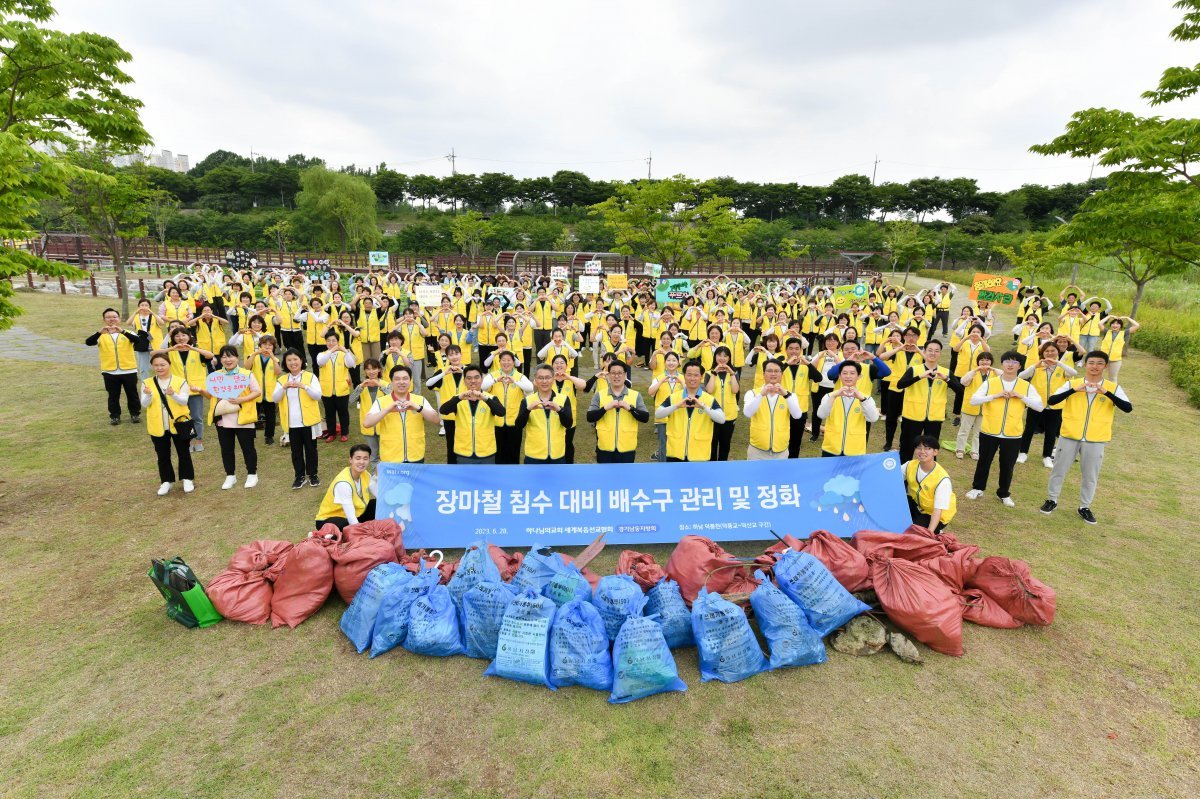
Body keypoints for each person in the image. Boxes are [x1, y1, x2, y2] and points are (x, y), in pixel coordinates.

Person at [1041, 351, 1133, 525]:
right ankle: (1051, 499)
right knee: (1059, 470)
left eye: (1099, 363)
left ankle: (1084, 506)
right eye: (1091, 362)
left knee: (1090, 475)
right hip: (1069, 434)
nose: (1095, 366)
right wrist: (1074, 390)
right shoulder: (1073, 384)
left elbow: (1127, 408)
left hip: (1096, 438)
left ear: (1105, 366)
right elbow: (1052, 400)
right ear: (1085, 364)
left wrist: (1105, 392)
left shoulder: (1113, 388)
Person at [966, 350, 1045, 507]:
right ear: (1002, 364)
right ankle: (978, 487)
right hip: (989, 430)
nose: (1010, 364)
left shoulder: (1025, 386)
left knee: (1008, 465)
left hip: (1013, 433)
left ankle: (1004, 493)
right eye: (1007, 361)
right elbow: (973, 400)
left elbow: (1040, 407)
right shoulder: (991, 382)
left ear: (1019, 366)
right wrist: (994, 396)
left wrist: (1020, 396)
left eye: (1014, 362)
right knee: (984, 461)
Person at [206, 345, 261, 490]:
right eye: (224, 357)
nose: (227, 359)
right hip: (223, 418)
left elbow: (257, 391)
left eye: (230, 356)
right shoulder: (216, 376)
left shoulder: (246, 374)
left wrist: (241, 400)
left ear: (237, 358)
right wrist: (200, 390)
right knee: (226, 448)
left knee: (247, 447)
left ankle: (252, 474)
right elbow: (211, 395)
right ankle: (230, 475)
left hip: (243, 416)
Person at [140, 351, 195, 496]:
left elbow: (184, 400)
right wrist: (148, 394)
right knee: (162, 455)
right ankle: (166, 481)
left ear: (169, 365)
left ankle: (187, 478)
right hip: (157, 425)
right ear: (152, 366)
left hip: (178, 424)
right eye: (156, 365)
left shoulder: (180, 381)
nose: (159, 368)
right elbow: (145, 404)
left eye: (162, 365)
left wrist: (173, 394)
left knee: (183, 452)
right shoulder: (147, 383)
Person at [363, 365, 440, 463]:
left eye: (405, 379)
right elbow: (367, 423)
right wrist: (387, 410)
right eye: (397, 379)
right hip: (390, 457)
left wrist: (418, 408)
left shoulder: (420, 400)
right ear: (391, 382)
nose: (401, 382)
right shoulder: (381, 401)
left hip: (415, 455)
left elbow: (437, 420)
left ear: (410, 381)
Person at [1017, 341, 1077, 467]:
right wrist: (1035, 366)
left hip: (1055, 406)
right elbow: (1021, 376)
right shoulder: (1037, 367)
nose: (1050, 353)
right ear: (1042, 353)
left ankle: (1047, 456)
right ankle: (1023, 452)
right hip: (1037, 404)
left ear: (1057, 352)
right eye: (1047, 351)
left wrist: (1059, 363)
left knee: (1051, 432)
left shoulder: (1062, 368)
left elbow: (1074, 373)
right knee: (1029, 429)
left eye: (1053, 351)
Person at [271, 347, 323, 489]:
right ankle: (299, 476)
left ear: (301, 360)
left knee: (311, 450)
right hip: (291, 423)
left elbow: (318, 396)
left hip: (309, 421)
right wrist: (283, 388)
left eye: (295, 359)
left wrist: (304, 387)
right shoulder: (282, 380)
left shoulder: (310, 377)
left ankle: (313, 475)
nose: (293, 363)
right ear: (285, 363)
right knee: (296, 451)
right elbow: (274, 398)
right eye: (289, 360)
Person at [656, 360, 726, 462]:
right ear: (684, 376)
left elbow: (721, 419)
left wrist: (704, 407)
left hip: (699, 455)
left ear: (701, 377)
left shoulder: (709, 399)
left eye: (696, 375)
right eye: (689, 375)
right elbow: (658, 414)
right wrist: (676, 406)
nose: (692, 378)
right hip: (675, 453)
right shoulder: (674, 397)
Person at [895, 339, 952, 463]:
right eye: (930, 350)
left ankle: (928, 477)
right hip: (912, 416)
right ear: (924, 352)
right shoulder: (914, 370)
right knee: (906, 448)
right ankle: (903, 478)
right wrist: (920, 377)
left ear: (940, 353)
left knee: (931, 451)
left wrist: (946, 379)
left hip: (934, 417)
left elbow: (960, 390)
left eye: (937, 351)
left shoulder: (945, 372)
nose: (933, 353)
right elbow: (900, 385)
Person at [86, 308, 145, 426]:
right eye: (108, 317)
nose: (111, 319)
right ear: (104, 320)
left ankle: (135, 414)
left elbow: (138, 340)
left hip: (129, 369)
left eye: (114, 317)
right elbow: (88, 342)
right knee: (113, 395)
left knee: (132, 393)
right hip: (110, 371)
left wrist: (122, 332)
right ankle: (115, 416)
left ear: (118, 319)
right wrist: (99, 333)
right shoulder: (101, 335)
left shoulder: (128, 332)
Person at [440, 365, 506, 464]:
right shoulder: (458, 398)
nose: (473, 381)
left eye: (476, 377)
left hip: (486, 452)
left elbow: (501, 412)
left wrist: (484, 398)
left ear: (482, 378)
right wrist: (458, 398)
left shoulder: (490, 398)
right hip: (464, 452)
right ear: (464, 380)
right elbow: (443, 410)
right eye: (469, 378)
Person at [586, 360, 650, 463]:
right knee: (605, 478)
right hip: (604, 448)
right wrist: (605, 408)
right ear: (608, 375)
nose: (616, 376)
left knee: (625, 478)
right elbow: (589, 417)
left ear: (625, 375)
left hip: (627, 448)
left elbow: (645, 417)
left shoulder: (635, 395)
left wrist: (631, 409)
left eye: (620, 373)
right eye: (613, 373)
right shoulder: (599, 395)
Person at [742, 359, 804, 460]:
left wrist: (786, 396)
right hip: (757, 451)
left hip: (781, 451)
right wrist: (761, 395)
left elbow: (797, 415)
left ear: (782, 374)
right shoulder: (752, 393)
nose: (773, 374)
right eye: (770, 371)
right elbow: (747, 413)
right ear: (763, 374)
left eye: (777, 371)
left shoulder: (790, 395)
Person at [816, 361, 880, 456]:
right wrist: (833, 396)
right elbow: (821, 414)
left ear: (859, 376)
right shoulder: (830, 395)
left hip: (855, 449)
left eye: (852, 373)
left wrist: (862, 399)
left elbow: (873, 418)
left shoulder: (866, 398)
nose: (848, 376)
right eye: (844, 373)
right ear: (840, 376)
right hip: (831, 448)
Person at [515, 364, 574, 464]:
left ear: (553, 379)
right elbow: (519, 425)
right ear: (535, 380)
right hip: (533, 456)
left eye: (548, 377)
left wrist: (559, 410)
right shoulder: (527, 401)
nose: (544, 381)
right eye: (540, 378)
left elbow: (568, 424)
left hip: (557, 455)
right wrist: (528, 410)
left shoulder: (563, 399)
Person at [484, 350, 534, 465]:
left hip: (514, 422)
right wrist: (496, 380)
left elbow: (530, 388)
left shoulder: (519, 376)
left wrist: (514, 381)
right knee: (498, 453)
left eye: (509, 360)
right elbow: (482, 386)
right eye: (503, 360)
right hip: (496, 422)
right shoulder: (492, 375)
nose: (506, 363)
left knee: (513, 453)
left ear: (513, 362)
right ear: (499, 361)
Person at [314, 445, 377, 530]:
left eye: (365, 459)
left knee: (376, 504)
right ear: (350, 460)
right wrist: (362, 533)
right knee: (345, 525)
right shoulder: (343, 483)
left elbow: (379, 494)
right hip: (328, 520)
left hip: (352, 514)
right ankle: (323, 535)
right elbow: (351, 518)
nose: (362, 462)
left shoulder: (365, 474)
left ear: (369, 460)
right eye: (358, 458)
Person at [903, 435, 957, 531]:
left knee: (910, 533)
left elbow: (938, 511)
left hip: (936, 515)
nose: (922, 451)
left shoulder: (943, 480)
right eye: (919, 447)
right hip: (918, 505)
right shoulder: (910, 465)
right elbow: (890, 477)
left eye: (927, 448)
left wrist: (929, 533)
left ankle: (937, 531)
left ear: (935, 452)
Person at [316, 330, 357, 443]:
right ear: (325, 342)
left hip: (342, 389)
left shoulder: (343, 354)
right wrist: (331, 351)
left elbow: (351, 364)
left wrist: (346, 351)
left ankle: (344, 433)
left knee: (343, 412)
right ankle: (331, 433)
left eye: (334, 340)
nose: (331, 343)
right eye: (328, 341)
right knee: (329, 413)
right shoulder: (322, 354)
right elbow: (321, 362)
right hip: (326, 389)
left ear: (338, 342)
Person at [954, 352, 993, 460]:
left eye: (987, 360)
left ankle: (975, 451)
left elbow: (1003, 375)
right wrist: (975, 370)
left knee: (979, 432)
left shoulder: (993, 374)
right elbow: (963, 382)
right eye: (982, 360)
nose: (984, 362)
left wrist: (992, 369)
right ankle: (960, 449)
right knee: (964, 429)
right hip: (970, 406)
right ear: (978, 362)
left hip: (985, 408)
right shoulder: (972, 373)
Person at [705, 346, 740, 461]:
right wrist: (714, 373)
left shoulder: (734, 373)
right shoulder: (709, 373)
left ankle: (723, 468)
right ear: (715, 357)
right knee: (712, 444)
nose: (722, 358)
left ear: (729, 358)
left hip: (729, 415)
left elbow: (735, 390)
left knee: (725, 445)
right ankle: (712, 468)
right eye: (719, 355)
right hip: (713, 414)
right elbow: (709, 390)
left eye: (725, 356)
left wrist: (732, 374)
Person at [350, 358, 385, 464]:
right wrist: (360, 387)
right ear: (365, 371)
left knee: (386, 454)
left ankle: (386, 477)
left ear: (379, 369)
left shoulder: (385, 384)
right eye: (368, 369)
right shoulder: (361, 386)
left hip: (384, 425)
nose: (371, 371)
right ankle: (376, 478)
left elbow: (394, 397)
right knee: (374, 455)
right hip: (369, 427)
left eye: (374, 368)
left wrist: (381, 386)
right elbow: (350, 401)